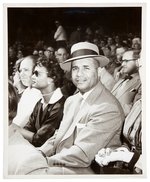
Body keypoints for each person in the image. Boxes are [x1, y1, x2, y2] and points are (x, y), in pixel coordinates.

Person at [8, 42, 125, 175]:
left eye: (86, 68)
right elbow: (58, 136)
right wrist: (39, 152)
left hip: (90, 171)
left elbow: (81, 155)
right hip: (65, 164)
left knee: (23, 170)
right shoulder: (72, 100)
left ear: (98, 71)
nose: (79, 74)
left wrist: (43, 161)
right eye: (75, 68)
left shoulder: (107, 108)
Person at [94, 56, 142, 174]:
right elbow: (132, 141)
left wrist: (127, 157)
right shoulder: (139, 104)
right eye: (142, 66)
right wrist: (118, 151)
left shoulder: (139, 89)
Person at [11, 56, 66, 147]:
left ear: (51, 79)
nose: (32, 77)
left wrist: (13, 127)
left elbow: (39, 140)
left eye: (37, 74)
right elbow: (28, 128)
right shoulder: (40, 103)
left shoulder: (60, 106)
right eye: (33, 73)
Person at [12, 56, 42, 127]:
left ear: (36, 71)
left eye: (26, 70)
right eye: (20, 70)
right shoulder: (27, 91)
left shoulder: (38, 93)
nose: (21, 74)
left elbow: (21, 124)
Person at [111, 50, 141, 116]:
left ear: (138, 62)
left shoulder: (141, 82)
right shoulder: (121, 79)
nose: (122, 64)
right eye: (122, 61)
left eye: (126, 61)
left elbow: (135, 111)